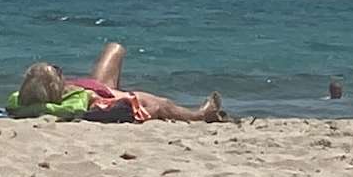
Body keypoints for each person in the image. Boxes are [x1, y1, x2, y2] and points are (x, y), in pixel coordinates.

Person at [14, 42, 225, 124]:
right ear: (52, 88)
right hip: (105, 92)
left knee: (114, 48)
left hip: (95, 84)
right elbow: (93, 108)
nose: (62, 73)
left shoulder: (22, 99)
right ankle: (201, 115)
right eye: (57, 73)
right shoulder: (74, 105)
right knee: (162, 104)